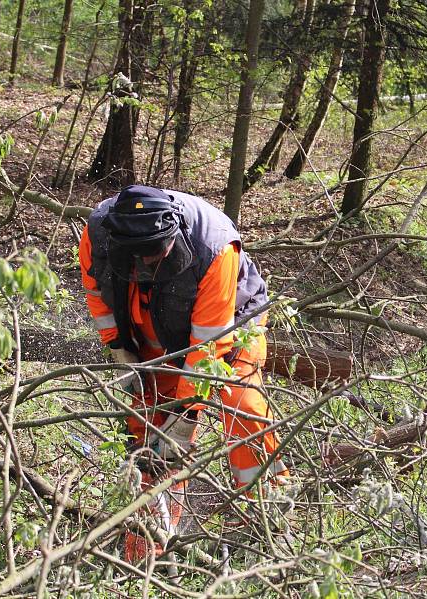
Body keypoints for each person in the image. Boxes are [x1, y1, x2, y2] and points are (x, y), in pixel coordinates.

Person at [79, 185, 289, 560]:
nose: (149, 265)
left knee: (243, 406)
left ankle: (266, 519)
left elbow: (207, 346)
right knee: (146, 427)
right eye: (140, 259)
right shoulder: (98, 233)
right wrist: (119, 350)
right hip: (149, 323)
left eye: (156, 256)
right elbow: (97, 294)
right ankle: (148, 540)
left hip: (231, 325)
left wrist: (185, 418)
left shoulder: (214, 247)